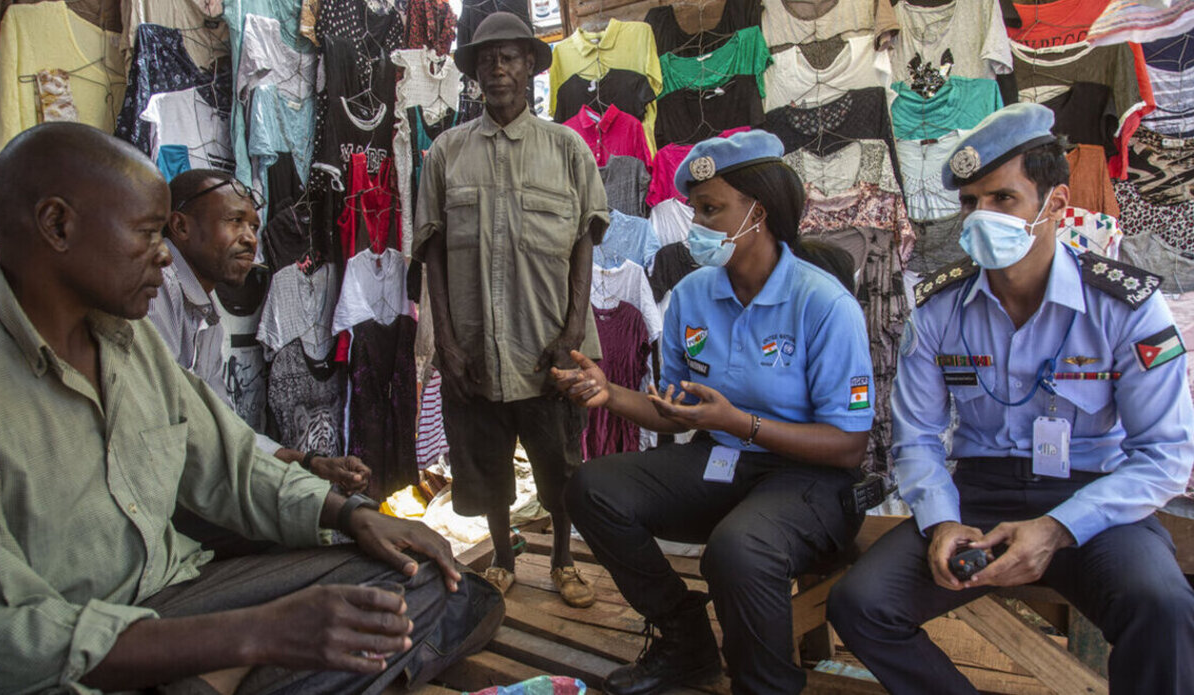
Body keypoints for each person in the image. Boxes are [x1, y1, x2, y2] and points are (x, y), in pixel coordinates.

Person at [0, 122, 503, 694]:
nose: (163, 255)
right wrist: (248, 636)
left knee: (416, 576)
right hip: (74, 655)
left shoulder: (128, 345)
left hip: (173, 597)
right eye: (145, 233)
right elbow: (12, 637)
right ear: (58, 225)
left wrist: (351, 515)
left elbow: (232, 463)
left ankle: (211, 680)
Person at [827, 103, 1194, 695]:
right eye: (969, 203)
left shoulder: (1126, 307)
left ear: (1054, 203)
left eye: (1002, 200)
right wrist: (943, 522)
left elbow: (1166, 455)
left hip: (1093, 499)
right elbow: (917, 439)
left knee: (1163, 604)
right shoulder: (940, 309)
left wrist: (1055, 527)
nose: (979, 218)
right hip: (977, 494)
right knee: (861, 604)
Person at [553, 130, 876, 695]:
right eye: (694, 211)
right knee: (590, 488)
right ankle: (686, 642)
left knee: (738, 547)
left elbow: (849, 445)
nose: (697, 226)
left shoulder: (823, 303)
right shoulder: (693, 295)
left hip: (812, 483)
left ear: (762, 210)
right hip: (721, 464)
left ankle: (766, 685)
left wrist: (738, 423)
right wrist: (611, 392)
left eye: (711, 210)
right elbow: (678, 412)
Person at [414, 12, 608, 607]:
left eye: (511, 57)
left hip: (548, 346)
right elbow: (434, 254)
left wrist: (571, 335)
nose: (498, 67)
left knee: (561, 469)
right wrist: (446, 343)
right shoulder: (445, 153)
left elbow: (583, 244)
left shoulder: (567, 148)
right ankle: (502, 557)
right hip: (473, 347)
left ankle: (563, 561)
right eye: (486, 59)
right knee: (485, 466)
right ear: (473, 72)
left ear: (529, 66)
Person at [147, 169, 370, 496]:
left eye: (253, 225)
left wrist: (310, 463)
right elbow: (166, 430)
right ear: (181, 226)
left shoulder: (205, 309)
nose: (250, 238)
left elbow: (222, 424)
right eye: (234, 221)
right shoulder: (157, 289)